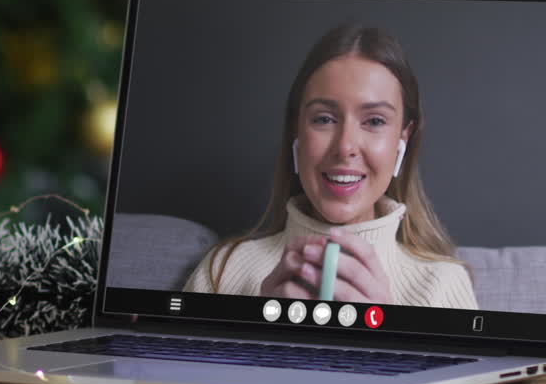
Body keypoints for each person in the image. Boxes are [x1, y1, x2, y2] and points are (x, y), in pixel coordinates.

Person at [184, 23, 477, 309]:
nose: (345, 147)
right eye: (324, 119)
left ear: (403, 140)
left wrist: (386, 335)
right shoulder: (225, 268)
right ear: (296, 131)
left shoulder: (442, 284)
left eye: (374, 121)